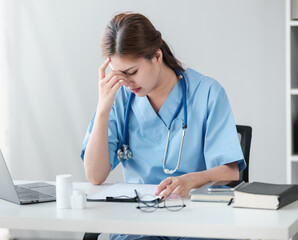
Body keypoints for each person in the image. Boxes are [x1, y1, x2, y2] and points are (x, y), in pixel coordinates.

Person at [80, 12, 246, 240]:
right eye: (119, 75)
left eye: (133, 72)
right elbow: (95, 176)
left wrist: (191, 180)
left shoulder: (207, 93)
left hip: (197, 218)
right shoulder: (119, 99)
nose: (127, 83)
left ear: (156, 56)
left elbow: (231, 170)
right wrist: (102, 110)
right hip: (139, 221)